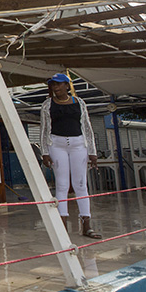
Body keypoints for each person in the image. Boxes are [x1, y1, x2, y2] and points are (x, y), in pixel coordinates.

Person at [39, 73, 102, 239]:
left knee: (80, 184)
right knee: (62, 185)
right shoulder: (47, 104)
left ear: (67, 86)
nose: (56, 88)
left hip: (78, 144)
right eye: (53, 85)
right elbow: (44, 129)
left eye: (59, 84)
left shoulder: (79, 102)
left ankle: (86, 225)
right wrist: (44, 152)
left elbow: (87, 127)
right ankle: (63, 225)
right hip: (56, 144)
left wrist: (92, 152)